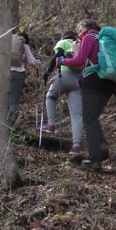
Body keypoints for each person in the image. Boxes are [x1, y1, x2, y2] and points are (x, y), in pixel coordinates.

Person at [58, 19, 116, 171]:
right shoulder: (108, 41)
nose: (79, 33)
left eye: (80, 29)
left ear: (87, 28)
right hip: (110, 84)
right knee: (92, 117)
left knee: (89, 120)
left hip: (93, 81)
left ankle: (94, 159)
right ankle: (102, 146)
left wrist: (62, 60)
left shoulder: (89, 38)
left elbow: (79, 60)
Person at [41, 30, 84, 158]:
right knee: (77, 115)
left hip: (64, 75)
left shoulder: (63, 42)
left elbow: (57, 55)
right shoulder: (80, 44)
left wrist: (48, 72)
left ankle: (51, 125)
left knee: (50, 96)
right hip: (78, 81)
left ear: (63, 37)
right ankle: (76, 146)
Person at [7, 31, 39, 128]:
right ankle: (9, 124)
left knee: (5, 98)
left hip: (5, 73)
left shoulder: (7, 43)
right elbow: (32, 62)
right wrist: (37, 63)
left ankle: (2, 123)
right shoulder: (24, 46)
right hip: (18, 74)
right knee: (14, 100)